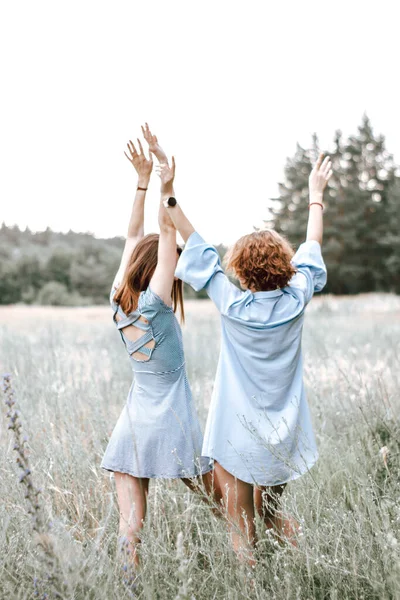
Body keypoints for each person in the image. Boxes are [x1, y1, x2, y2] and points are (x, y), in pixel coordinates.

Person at [158, 152, 332, 563]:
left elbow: (195, 243)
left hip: (234, 434)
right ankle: (311, 569)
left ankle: (251, 586)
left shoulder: (230, 304)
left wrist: (168, 193)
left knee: (241, 527)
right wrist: (316, 195)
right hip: (283, 435)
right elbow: (313, 245)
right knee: (271, 515)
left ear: (239, 269)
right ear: (285, 266)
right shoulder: (296, 299)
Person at [101, 125, 212, 567]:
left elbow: (134, 238)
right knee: (229, 510)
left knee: (130, 531)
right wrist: (167, 183)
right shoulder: (157, 304)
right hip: (173, 425)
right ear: (161, 269)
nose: (179, 268)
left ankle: (127, 589)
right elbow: (165, 236)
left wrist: (141, 183)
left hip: (131, 427)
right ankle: (256, 574)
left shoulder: (119, 302)